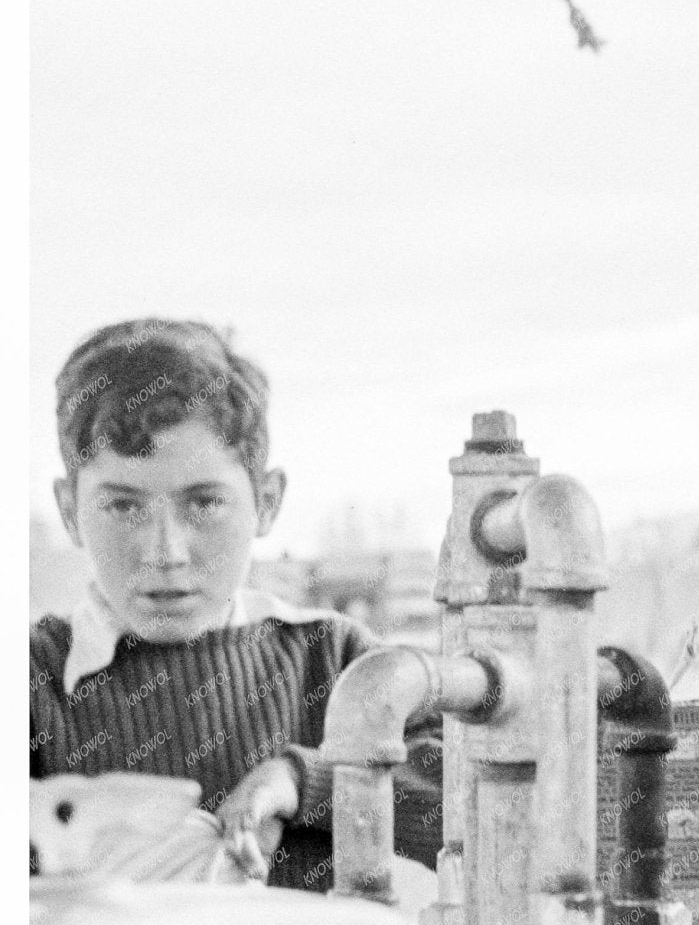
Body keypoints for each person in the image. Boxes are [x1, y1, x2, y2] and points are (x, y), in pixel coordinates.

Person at [30, 318, 441, 892]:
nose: (165, 552)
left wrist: (308, 781)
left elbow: (472, 788)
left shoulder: (337, 665)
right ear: (70, 509)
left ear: (267, 502)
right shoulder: (31, 681)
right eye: (124, 506)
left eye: (202, 503)